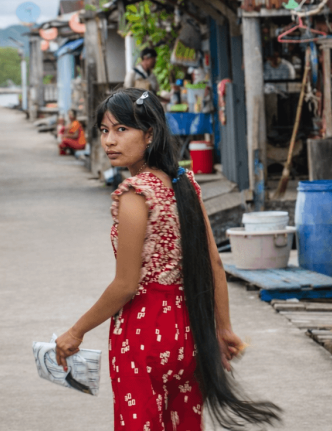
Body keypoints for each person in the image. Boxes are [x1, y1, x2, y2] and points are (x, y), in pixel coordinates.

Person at [55, 88, 280, 431]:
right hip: (187, 331)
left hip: (142, 335)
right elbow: (214, 265)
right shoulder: (184, 182)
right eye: (104, 130)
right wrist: (222, 329)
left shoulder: (134, 195)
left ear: (149, 134)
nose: (109, 141)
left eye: (122, 129)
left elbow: (126, 285)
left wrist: (76, 332)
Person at [263, 51, 297, 128]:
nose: (270, 60)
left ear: (277, 55)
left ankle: (284, 128)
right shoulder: (266, 66)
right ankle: (271, 127)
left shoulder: (286, 66)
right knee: (270, 111)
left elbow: (291, 80)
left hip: (284, 94)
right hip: (270, 94)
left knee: (285, 114)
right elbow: (264, 80)